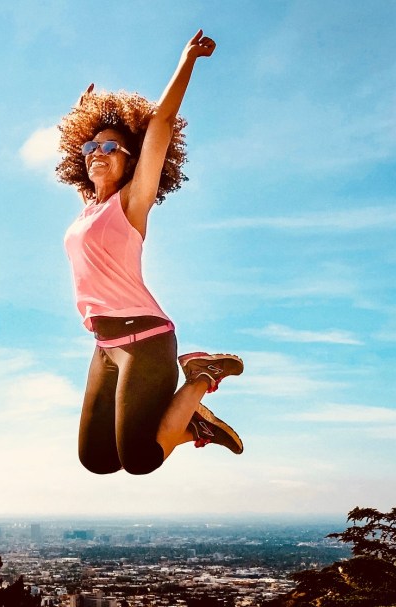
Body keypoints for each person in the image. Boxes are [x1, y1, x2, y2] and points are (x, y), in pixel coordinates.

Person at [59, 29, 244, 475]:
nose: (96, 153)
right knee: (96, 460)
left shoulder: (130, 204)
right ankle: (193, 425)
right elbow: (82, 165)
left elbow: (159, 123)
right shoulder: (87, 209)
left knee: (139, 459)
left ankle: (203, 375)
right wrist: (81, 113)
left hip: (145, 340)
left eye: (109, 147)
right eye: (89, 146)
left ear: (130, 159)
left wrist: (187, 60)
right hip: (104, 345)